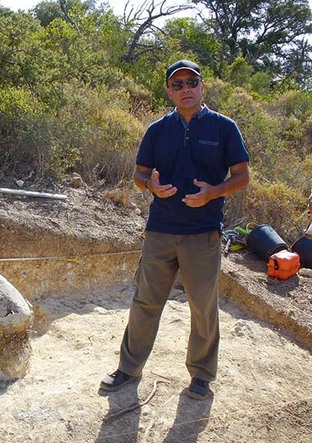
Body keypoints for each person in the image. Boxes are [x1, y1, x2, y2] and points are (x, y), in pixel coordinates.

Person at [99, 60, 250, 400]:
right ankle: (128, 369)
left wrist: (212, 192)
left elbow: (242, 176)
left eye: (191, 82)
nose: (185, 89)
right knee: (145, 302)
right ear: (169, 91)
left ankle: (201, 376)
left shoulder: (224, 128)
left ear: (202, 86)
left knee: (203, 307)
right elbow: (140, 174)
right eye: (177, 84)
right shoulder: (157, 130)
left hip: (203, 234)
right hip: (160, 231)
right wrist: (148, 185)